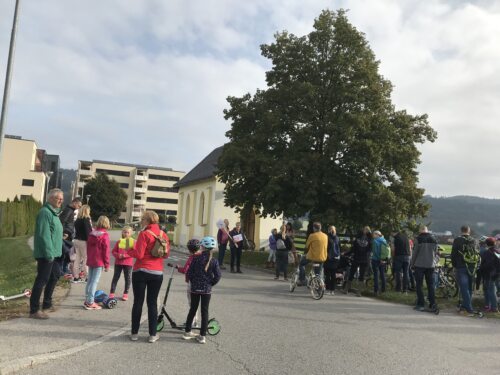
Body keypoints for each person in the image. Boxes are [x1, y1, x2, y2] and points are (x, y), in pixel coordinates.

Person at [128, 211, 170, 343]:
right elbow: (165, 255)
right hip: (157, 273)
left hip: (141, 271)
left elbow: (139, 255)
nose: (141, 221)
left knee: (138, 302)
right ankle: (152, 334)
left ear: (147, 221)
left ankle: (134, 333)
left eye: (142, 219)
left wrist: (130, 250)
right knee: (152, 304)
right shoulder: (164, 235)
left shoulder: (144, 233)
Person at [29, 189, 64, 319]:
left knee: (55, 276)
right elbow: (44, 235)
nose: (61, 200)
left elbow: (54, 232)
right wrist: (49, 253)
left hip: (54, 253)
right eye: (58, 198)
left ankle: (47, 304)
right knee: (42, 280)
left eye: (62, 198)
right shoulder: (45, 213)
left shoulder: (54, 213)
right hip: (46, 253)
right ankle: (34, 310)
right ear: (50, 198)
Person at [183, 236, 221, 344]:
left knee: (192, 310)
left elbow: (189, 273)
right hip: (206, 290)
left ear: (202, 246)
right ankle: (202, 336)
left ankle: (187, 332)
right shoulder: (214, 261)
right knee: (205, 312)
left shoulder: (196, 258)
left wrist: (194, 282)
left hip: (195, 289)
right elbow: (218, 275)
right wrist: (211, 284)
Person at [171, 239, 202, 327]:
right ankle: (194, 321)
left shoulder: (192, 258)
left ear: (189, 249)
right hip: (201, 283)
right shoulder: (202, 256)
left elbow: (186, 270)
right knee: (195, 303)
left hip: (192, 283)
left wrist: (178, 268)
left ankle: (191, 322)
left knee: (192, 304)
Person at [451, 225, 480, 315]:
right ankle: (464, 306)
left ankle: (469, 308)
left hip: (461, 266)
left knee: (464, 288)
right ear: (469, 231)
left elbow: (453, 254)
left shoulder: (457, 240)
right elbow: (478, 253)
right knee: (469, 288)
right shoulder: (475, 240)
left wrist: (454, 265)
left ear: (461, 231)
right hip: (472, 266)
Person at [84, 216, 110, 310]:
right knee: (94, 281)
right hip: (99, 261)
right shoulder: (105, 235)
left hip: (91, 260)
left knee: (90, 280)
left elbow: (88, 247)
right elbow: (106, 251)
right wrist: (107, 264)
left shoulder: (92, 233)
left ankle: (87, 299)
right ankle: (90, 302)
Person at [410, 226, 438, 311]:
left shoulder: (418, 239)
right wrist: (435, 262)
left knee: (419, 285)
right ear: (427, 231)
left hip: (419, 265)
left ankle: (421, 304)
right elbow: (437, 253)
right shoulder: (434, 239)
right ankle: (432, 303)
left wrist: (412, 264)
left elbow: (415, 253)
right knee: (431, 285)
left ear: (420, 231)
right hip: (431, 265)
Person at [344, 227, 372, 295]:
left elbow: (352, 250)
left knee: (351, 273)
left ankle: (346, 289)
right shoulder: (370, 241)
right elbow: (369, 251)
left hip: (356, 258)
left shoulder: (357, 240)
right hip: (365, 259)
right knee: (361, 275)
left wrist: (345, 253)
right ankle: (359, 292)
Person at [109, 226, 134, 301]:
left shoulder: (132, 242)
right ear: (122, 233)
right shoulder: (119, 241)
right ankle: (112, 292)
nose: (126, 234)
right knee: (115, 277)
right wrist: (118, 255)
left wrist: (125, 255)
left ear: (130, 233)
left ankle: (125, 293)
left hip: (128, 263)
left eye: (128, 232)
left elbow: (133, 253)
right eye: (124, 232)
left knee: (128, 278)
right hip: (118, 262)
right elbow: (113, 251)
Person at [72, 205, 92, 283]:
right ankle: (87, 277)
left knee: (77, 259)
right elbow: (88, 233)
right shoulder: (86, 219)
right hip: (84, 241)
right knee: (85, 259)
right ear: (87, 211)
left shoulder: (77, 220)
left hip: (76, 240)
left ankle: (76, 277)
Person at [479, 237, 499, 313]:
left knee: (491, 291)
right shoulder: (497, 251)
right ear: (494, 243)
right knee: (495, 290)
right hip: (497, 273)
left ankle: (494, 308)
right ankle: (494, 306)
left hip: (490, 274)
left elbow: (486, 264)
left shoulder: (487, 253)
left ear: (486, 244)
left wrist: (481, 269)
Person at [370, 230, 388, 295]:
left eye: (374, 234)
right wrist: (382, 259)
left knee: (376, 275)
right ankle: (383, 290)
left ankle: (376, 290)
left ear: (377, 234)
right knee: (382, 274)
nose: (373, 235)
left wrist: (378, 258)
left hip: (376, 260)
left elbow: (375, 252)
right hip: (383, 260)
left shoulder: (375, 241)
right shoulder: (384, 240)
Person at [324, 225, 340, 295]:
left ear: (328, 230)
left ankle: (328, 289)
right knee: (333, 275)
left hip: (328, 258)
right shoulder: (337, 238)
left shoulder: (327, 237)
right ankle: (332, 290)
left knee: (327, 274)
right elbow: (339, 247)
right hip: (336, 258)